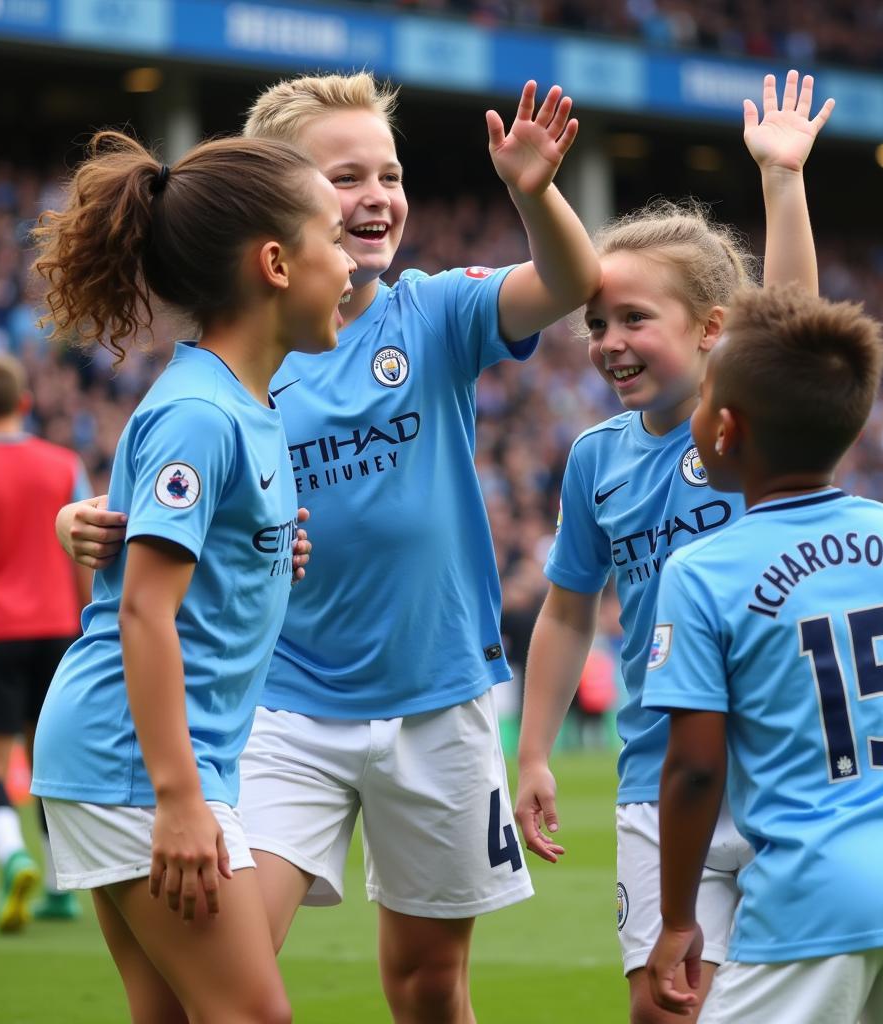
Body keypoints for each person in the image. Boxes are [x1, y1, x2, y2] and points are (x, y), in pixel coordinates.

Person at [57, 73, 600, 1023]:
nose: (376, 197)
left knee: (432, 982)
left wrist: (533, 191)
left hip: (438, 694)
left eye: (388, 174)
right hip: (279, 708)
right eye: (344, 178)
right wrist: (90, 518)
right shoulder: (241, 369)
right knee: (224, 971)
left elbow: (567, 284)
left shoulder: (428, 312)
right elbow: (171, 507)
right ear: (280, 221)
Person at [514, 71, 833, 1022]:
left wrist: (782, 181)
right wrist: (531, 749)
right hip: (658, 776)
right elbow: (570, 608)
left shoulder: (746, 425)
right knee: (664, 1007)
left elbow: (799, 329)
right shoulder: (594, 461)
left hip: (780, 763)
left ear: (712, 328)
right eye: (596, 323)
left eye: (634, 320)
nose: (609, 341)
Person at [30, 129, 353, 1024]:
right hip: (135, 765)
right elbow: (144, 613)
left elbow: (177, 549)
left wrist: (263, 550)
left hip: (141, 760)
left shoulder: (243, 407)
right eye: (334, 238)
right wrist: (178, 800)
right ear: (278, 263)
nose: (354, 265)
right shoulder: (202, 415)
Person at [642, 283, 883, 1023]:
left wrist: (675, 919)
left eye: (703, 399)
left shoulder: (701, 571)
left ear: (726, 430)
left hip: (810, 900)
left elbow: (697, 767)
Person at [0, 352, 93, 932]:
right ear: (25, 403)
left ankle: (12, 855)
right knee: (48, 759)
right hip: (58, 629)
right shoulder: (63, 464)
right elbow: (87, 550)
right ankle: (59, 887)